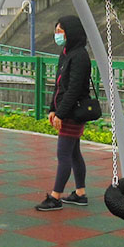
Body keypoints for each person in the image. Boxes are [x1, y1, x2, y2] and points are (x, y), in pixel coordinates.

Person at [35, 15, 92, 211]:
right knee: (74, 152)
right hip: (65, 110)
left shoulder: (80, 57)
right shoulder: (66, 54)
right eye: (56, 30)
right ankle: (80, 193)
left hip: (72, 112)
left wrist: (61, 113)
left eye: (60, 31)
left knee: (64, 154)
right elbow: (59, 85)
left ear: (71, 32)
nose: (57, 34)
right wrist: (52, 109)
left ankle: (56, 196)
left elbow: (74, 89)